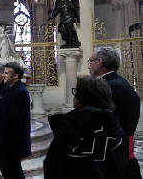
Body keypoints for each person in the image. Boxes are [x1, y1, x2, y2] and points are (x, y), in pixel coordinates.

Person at [44, 76, 127, 179]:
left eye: (76, 92)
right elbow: (125, 164)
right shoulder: (115, 125)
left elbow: (53, 166)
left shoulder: (68, 126)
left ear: (82, 97)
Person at [88, 46, 142, 179]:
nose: (88, 66)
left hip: (112, 150)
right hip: (124, 143)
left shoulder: (106, 86)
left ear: (99, 63)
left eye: (90, 61)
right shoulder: (121, 82)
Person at [0, 62, 31, 179]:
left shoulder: (20, 92)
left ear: (15, 76)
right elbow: (0, 106)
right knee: (7, 169)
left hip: (11, 140)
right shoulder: (9, 88)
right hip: (5, 138)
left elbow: (11, 117)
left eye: (6, 73)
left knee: (13, 171)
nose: (3, 75)